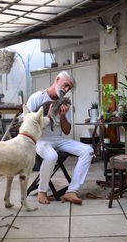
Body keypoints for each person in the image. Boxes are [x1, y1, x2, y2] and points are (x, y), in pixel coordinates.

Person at [26, 71, 94, 205]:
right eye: (66, 85)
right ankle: (42, 191)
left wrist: (62, 116)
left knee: (88, 150)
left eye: (69, 88)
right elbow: (25, 122)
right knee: (51, 156)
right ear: (57, 79)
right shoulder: (37, 97)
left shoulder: (64, 103)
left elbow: (67, 131)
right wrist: (46, 116)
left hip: (58, 139)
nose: (66, 89)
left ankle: (71, 191)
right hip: (41, 139)